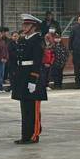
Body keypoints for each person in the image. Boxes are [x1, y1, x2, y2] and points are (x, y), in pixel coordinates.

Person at [12, 14, 47, 145]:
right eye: (23, 25)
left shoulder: (38, 40)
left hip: (32, 75)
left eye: (27, 25)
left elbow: (37, 61)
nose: (24, 27)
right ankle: (25, 135)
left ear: (33, 27)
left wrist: (33, 79)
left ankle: (34, 134)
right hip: (22, 75)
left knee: (33, 108)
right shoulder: (22, 39)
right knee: (25, 108)